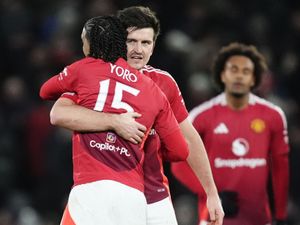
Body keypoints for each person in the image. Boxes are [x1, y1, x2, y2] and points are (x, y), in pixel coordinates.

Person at [49, 6, 224, 225]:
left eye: (145, 43)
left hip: (154, 196)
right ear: (118, 40)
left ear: (154, 46)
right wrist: (114, 122)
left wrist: (211, 193)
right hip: (104, 188)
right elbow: (59, 112)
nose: (138, 50)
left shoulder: (164, 83)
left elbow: (189, 138)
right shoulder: (95, 73)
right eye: (131, 41)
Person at [171, 42, 290, 225]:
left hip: (258, 219)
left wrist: (281, 213)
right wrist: (212, 193)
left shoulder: (273, 116)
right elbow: (179, 164)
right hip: (213, 218)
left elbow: (280, 167)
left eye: (245, 71)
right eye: (233, 70)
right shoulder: (201, 117)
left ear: (254, 78)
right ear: (222, 75)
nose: (239, 76)